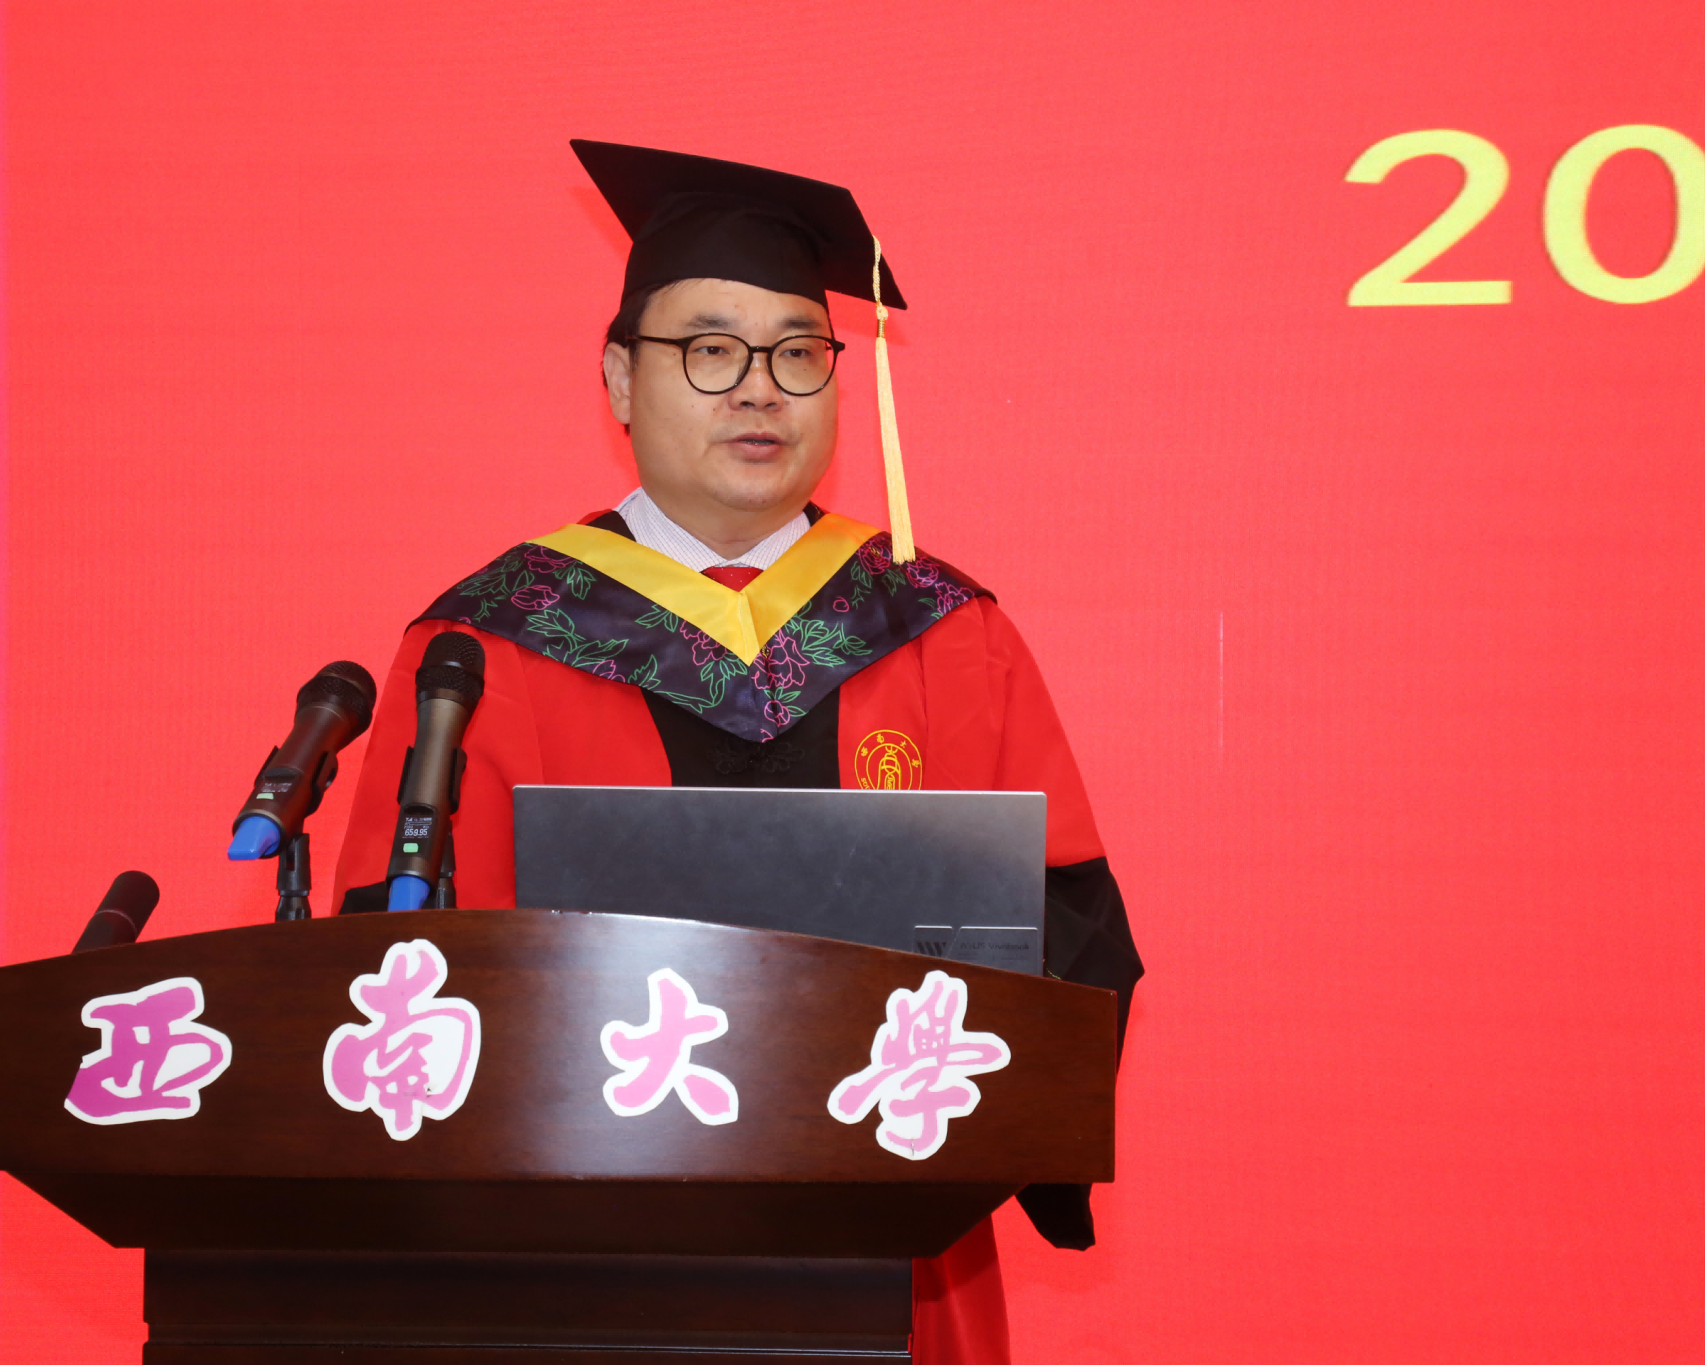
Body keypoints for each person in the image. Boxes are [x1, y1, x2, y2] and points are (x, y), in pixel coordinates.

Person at [334, 140, 1143, 1364]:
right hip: (569, 1262)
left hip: (888, 1241)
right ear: (619, 378)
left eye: (797, 353)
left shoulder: (940, 630)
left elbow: (1066, 928)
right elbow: (399, 959)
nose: (758, 391)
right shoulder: (489, 641)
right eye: (708, 350)